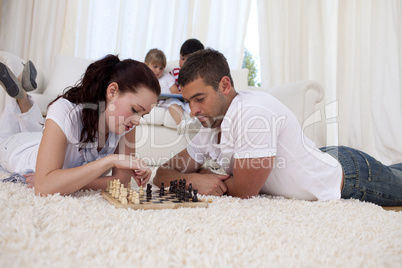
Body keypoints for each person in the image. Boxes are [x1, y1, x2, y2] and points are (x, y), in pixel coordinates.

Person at [153, 48, 402, 206]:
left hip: (349, 177)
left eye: (199, 98)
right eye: (188, 102)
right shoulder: (209, 123)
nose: (193, 110)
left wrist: (200, 175)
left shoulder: (251, 113)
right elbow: (162, 173)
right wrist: (195, 180)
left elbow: (244, 190)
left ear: (225, 86)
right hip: (325, 156)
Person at [0, 54, 161, 196]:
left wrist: (60, 181)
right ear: (112, 91)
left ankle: (22, 96)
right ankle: (21, 98)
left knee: (38, 130)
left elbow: (122, 183)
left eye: (143, 115)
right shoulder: (66, 110)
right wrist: (110, 161)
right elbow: (43, 188)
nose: (137, 121)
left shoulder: (126, 123)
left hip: (38, 141)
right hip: (16, 149)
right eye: (135, 110)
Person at [144, 48, 195, 134]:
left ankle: (196, 122)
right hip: (160, 101)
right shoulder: (145, 79)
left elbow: (174, 90)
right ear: (146, 65)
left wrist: (177, 94)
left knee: (190, 107)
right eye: (155, 67)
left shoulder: (167, 77)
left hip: (172, 99)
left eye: (161, 68)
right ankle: (181, 124)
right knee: (173, 105)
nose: (158, 71)